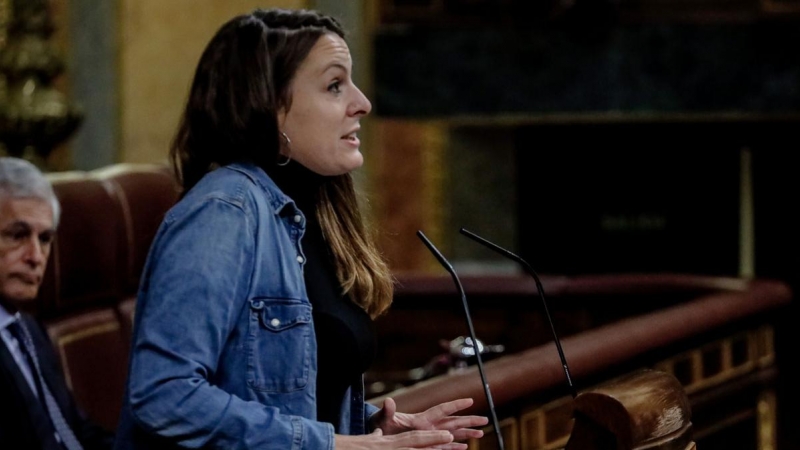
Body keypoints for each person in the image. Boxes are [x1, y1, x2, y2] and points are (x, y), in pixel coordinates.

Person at [113, 7, 488, 450]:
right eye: (334, 85)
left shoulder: (308, 209)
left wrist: (370, 427)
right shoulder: (224, 211)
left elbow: (282, 392)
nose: (362, 103)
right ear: (269, 106)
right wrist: (339, 447)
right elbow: (164, 395)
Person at [0, 157, 115, 450]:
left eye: (46, 238)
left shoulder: (27, 328)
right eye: (18, 235)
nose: (36, 257)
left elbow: (75, 430)